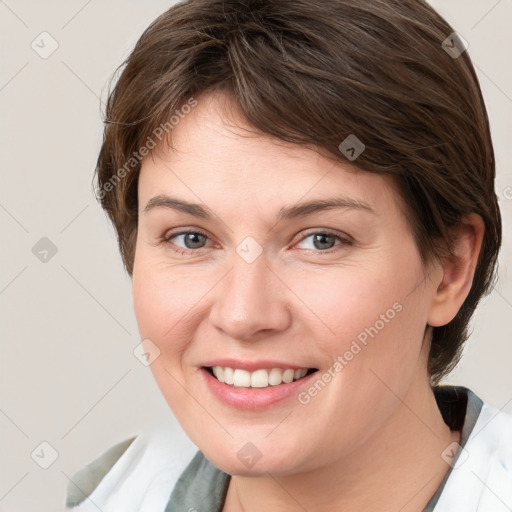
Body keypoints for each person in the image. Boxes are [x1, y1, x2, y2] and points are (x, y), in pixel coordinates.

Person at [64, 0, 512, 510]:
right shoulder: (101, 494)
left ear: (450, 271)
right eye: (190, 238)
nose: (243, 315)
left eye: (321, 239)